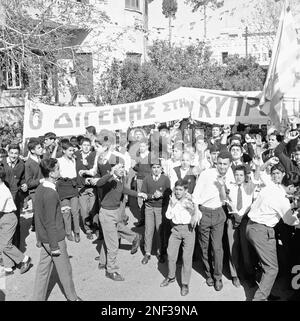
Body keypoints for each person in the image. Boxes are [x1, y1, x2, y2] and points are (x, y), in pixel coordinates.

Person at [246, 168, 300, 301]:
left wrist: (292, 204)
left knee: (266, 265)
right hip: (262, 231)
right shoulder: (282, 200)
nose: (296, 192)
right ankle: (259, 298)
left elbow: (273, 207)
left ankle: (266, 291)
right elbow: (289, 221)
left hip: (251, 226)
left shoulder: (270, 188)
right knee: (272, 268)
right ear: (291, 186)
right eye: (296, 189)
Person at [32, 158, 81, 301]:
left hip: (45, 238)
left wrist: (39, 239)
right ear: (52, 173)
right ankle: (73, 298)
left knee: (43, 271)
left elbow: (40, 215)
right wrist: (54, 246)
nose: (60, 171)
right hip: (55, 240)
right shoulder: (51, 193)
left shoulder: (41, 189)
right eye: (58, 169)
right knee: (65, 271)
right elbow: (50, 223)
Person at [87, 164, 145, 281]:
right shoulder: (108, 180)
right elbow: (99, 184)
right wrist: (112, 173)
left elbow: (125, 190)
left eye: (123, 168)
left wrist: (139, 194)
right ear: (113, 170)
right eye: (119, 168)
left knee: (110, 238)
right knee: (113, 245)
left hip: (115, 212)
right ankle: (111, 270)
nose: (121, 170)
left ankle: (103, 262)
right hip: (107, 214)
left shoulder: (119, 181)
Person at [192, 150, 234, 291]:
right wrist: (196, 212)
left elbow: (225, 199)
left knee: (217, 248)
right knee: (204, 247)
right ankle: (208, 274)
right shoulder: (206, 174)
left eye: (225, 164)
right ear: (216, 162)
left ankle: (218, 277)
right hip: (204, 212)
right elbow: (196, 195)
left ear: (230, 164)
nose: (222, 166)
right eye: (220, 163)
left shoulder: (230, 175)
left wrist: (222, 185)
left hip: (218, 213)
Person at [160, 179, 199, 296]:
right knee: (171, 255)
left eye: (180, 190)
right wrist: (172, 205)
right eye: (176, 189)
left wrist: (193, 212)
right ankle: (171, 277)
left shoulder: (190, 200)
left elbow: (198, 216)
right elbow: (168, 216)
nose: (177, 192)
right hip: (176, 230)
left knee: (186, 258)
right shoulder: (173, 200)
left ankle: (185, 284)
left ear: (185, 190)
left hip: (188, 230)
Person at [0, 165, 32, 276]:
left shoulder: (3, 190)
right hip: (3, 218)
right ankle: (8, 267)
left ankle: (24, 259)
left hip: (8, 218)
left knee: (5, 244)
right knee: (2, 243)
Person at [141, 161, 172, 265]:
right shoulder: (147, 179)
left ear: (161, 168)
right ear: (151, 168)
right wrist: (152, 196)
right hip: (149, 206)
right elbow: (143, 193)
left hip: (160, 207)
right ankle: (147, 252)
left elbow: (169, 193)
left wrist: (162, 194)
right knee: (149, 229)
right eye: (154, 167)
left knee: (159, 230)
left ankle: (160, 252)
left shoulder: (165, 179)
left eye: (158, 167)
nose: (156, 169)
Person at [2, 144, 27, 248]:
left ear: (19, 154)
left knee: (15, 221)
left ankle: (16, 246)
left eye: (16, 153)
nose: (13, 155)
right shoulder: (2, 163)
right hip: (3, 196)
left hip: (15, 196)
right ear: (8, 153)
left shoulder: (21, 164)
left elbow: (23, 178)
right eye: (11, 153)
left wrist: (24, 184)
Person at [56, 141, 80, 243]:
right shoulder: (58, 160)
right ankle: (68, 232)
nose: (71, 152)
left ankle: (77, 232)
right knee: (66, 212)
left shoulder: (74, 160)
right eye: (69, 150)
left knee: (75, 211)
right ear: (64, 151)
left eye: (72, 150)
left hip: (73, 186)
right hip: (63, 187)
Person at [75, 138, 97, 240]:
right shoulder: (76, 155)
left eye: (88, 145)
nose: (86, 147)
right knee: (84, 210)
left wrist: (87, 165)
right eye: (84, 145)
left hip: (92, 187)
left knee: (93, 208)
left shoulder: (93, 155)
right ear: (80, 146)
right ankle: (87, 229)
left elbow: (96, 170)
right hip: (81, 187)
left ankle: (96, 227)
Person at [25, 139, 45, 232]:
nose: (41, 149)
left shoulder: (41, 159)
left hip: (44, 189)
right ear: (32, 151)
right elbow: (29, 183)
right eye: (39, 148)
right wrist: (41, 180)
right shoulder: (28, 164)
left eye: (41, 147)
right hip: (35, 192)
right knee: (39, 214)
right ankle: (39, 238)